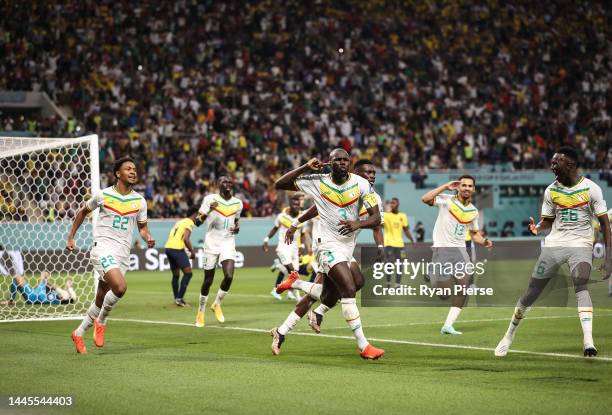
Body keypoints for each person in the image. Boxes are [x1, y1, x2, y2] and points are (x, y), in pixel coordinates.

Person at [495, 147, 611, 357]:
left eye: (556, 163)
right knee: (532, 292)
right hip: (554, 245)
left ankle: (588, 342)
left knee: (581, 284)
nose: (552, 166)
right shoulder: (551, 191)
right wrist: (537, 228)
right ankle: (508, 335)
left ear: (571, 165)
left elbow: (605, 224)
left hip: (581, 244)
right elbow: (548, 220)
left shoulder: (591, 189)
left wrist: (609, 257)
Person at [273, 151, 384, 359]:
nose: (371, 176)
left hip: (346, 248)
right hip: (327, 245)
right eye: (367, 172)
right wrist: (306, 167)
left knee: (353, 284)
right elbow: (281, 184)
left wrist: (359, 226)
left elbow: (376, 220)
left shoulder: (364, 189)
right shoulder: (319, 181)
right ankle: (364, 346)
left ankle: (298, 289)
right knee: (348, 288)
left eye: (373, 172)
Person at [67, 156, 155, 354]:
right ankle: (102, 322)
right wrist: (71, 237)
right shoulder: (103, 195)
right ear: (118, 173)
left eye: (134, 169)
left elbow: (142, 227)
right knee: (120, 287)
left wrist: (147, 236)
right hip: (103, 249)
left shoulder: (140, 201)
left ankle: (78, 333)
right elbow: (82, 212)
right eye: (128, 169)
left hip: (122, 254)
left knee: (100, 298)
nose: (133, 171)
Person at [421, 175, 493, 335]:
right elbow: (425, 199)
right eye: (464, 185)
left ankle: (447, 325)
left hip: (460, 251)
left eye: (470, 186)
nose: (467, 188)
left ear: (473, 189)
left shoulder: (473, 211)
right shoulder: (446, 200)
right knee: (444, 295)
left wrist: (484, 241)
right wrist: (446, 186)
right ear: (458, 187)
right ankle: (432, 273)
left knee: (463, 287)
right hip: (442, 250)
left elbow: (474, 234)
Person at [195, 176, 242, 327]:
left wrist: (237, 228)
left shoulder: (238, 203)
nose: (228, 184)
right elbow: (197, 222)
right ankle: (200, 311)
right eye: (224, 182)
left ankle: (216, 304)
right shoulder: (210, 199)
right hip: (211, 243)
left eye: (230, 182)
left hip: (228, 241)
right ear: (218, 185)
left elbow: (236, 221)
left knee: (229, 276)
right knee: (208, 280)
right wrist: (209, 210)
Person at [263, 194, 304, 301]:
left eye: (297, 205)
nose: (296, 207)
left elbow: (302, 234)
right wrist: (266, 239)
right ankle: (298, 297)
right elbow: (275, 228)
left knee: (294, 273)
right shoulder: (282, 216)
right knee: (292, 270)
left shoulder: (302, 217)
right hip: (283, 246)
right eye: (294, 204)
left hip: (294, 248)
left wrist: (301, 247)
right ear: (290, 205)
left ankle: (278, 266)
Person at [164, 207, 203, 307]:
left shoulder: (180, 222)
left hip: (168, 248)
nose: (199, 217)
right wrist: (192, 251)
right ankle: (180, 299)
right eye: (199, 215)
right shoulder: (189, 222)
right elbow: (186, 239)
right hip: (177, 249)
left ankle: (177, 298)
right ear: (195, 214)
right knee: (188, 274)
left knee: (176, 275)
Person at [383, 197, 415, 286]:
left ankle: (397, 284)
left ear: (398, 204)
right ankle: (388, 282)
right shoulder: (386, 215)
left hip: (400, 245)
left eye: (393, 203)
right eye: (391, 203)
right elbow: (378, 222)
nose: (392, 204)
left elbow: (406, 230)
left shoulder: (402, 216)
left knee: (400, 264)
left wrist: (412, 240)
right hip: (388, 243)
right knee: (389, 264)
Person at [2, 272, 77, 305]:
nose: (68, 282)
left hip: (33, 297)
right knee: (17, 279)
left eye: (70, 282)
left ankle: (10, 300)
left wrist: (70, 288)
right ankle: (11, 300)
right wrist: (45, 279)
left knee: (17, 278)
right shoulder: (60, 291)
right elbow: (53, 286)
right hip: (34, 294)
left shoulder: (65, 295)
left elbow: (73, 298)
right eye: (68, 281)